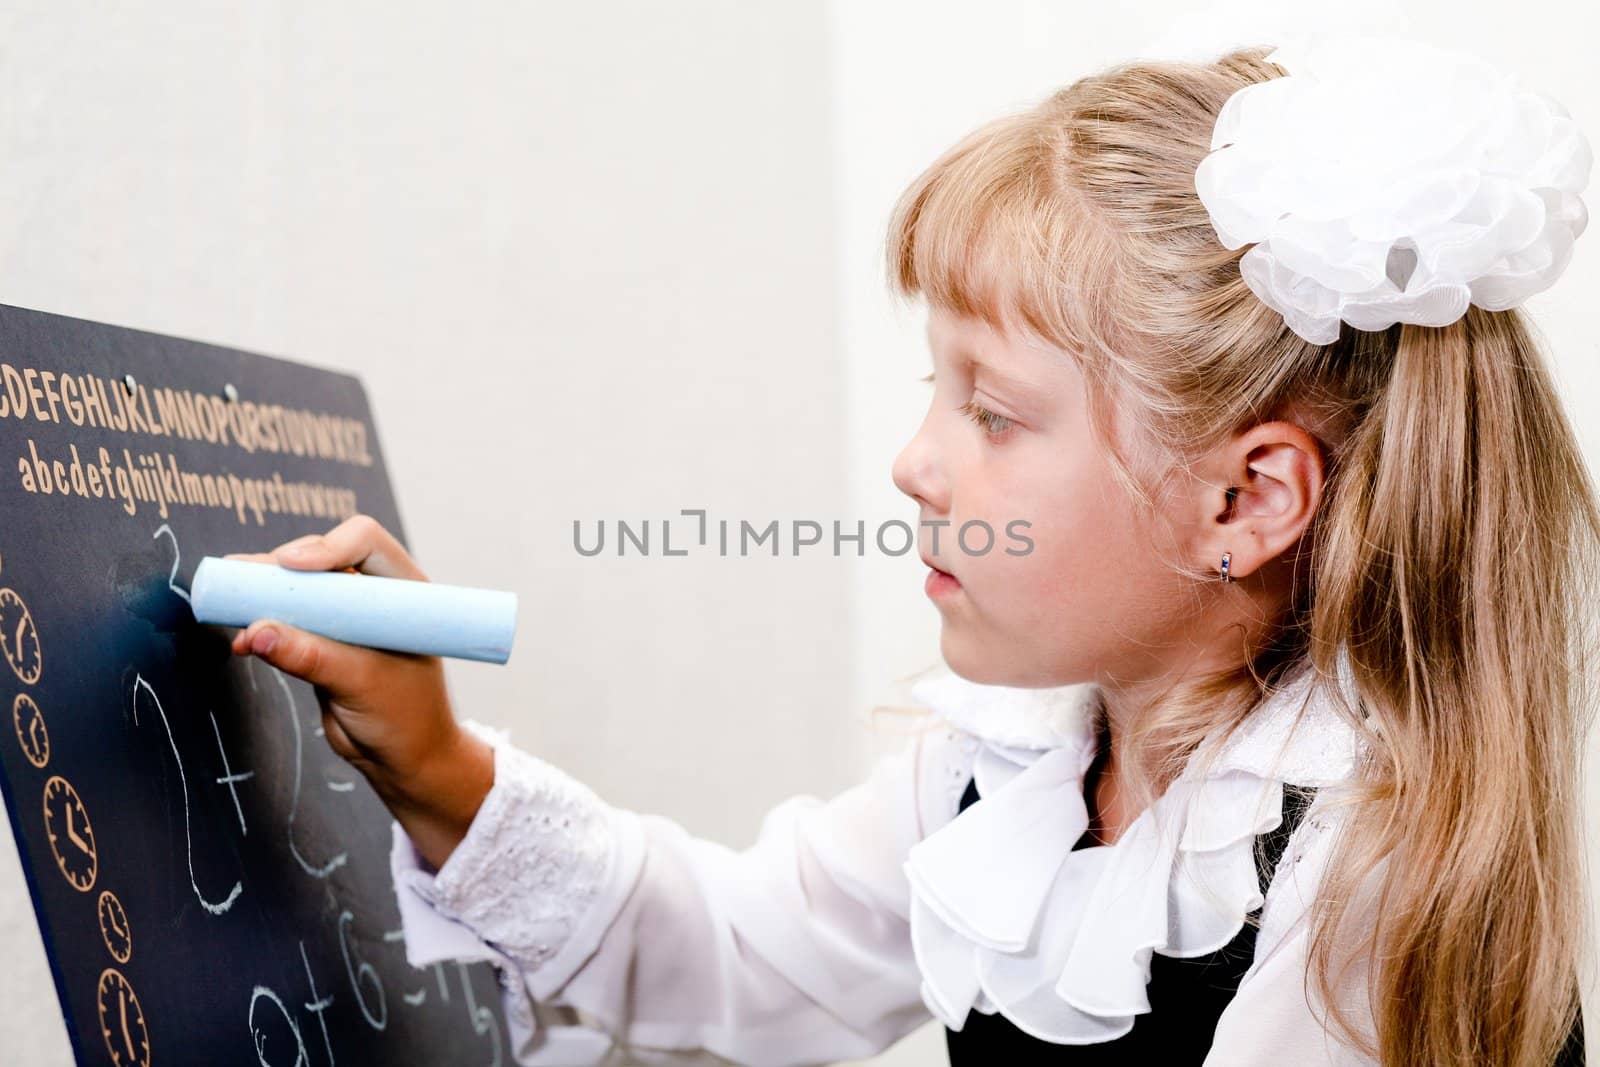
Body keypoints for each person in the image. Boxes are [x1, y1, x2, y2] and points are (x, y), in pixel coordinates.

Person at [225, 36, 1595, 1066]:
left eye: (994, 412)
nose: (917, 464)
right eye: (933, 392)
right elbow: (733, 951)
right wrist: (438, 766)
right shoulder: (1017, 765)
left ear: (1241, 504)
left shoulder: (1365, 876)